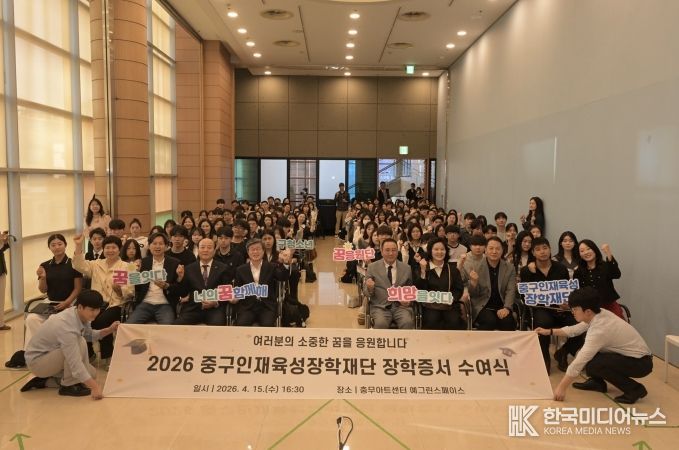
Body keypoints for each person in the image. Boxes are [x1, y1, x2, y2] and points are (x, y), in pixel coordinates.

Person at [536, 287, 652, 404]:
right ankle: (597, 383)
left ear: (587, 311)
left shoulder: (599, 329)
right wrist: (549, 331)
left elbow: (579, 361)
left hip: (640, 363)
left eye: (575, 309)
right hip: (631, 357)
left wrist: (561, 388)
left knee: (593, 361)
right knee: (593, 360)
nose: (572, 312)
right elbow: (574, 330)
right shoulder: (598, 313)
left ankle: (635, 390)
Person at [21, 289, 118, 399]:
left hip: (51, 356)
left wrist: (110, 330)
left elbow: (89, 335)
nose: (95, 313)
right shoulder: (66, 325)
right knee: (79, 343)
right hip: (37, 362)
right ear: (80, 307)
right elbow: (74, 361)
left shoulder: (79, 314)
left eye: (97, 309)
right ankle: (68, 385)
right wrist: (95, 387)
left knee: (92, 374)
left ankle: (46, 381)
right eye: (92, 310)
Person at [520, 237, 582, 374]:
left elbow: (567, 291)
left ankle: (563, 352)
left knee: (581, 324)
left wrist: (566, 303)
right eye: (538, 249)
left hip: (560, 309)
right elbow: (525, 296)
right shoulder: (527, 271)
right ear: (533, 252)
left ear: (550, 249)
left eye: (545, 248)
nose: (542, 252)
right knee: (544, 323)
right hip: (540, 309)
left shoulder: (560, 268)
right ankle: (544, 358)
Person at [73, 232, 134, 368]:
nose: (110, 250)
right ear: (103, 249)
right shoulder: (96, 264)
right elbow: (78, 265)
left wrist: (119, 290)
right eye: (107, 247)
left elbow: (130, 292)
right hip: (96, 305)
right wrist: (78, 246)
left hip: (116, 305)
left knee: (100, 321)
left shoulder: (126, 266)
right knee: (82, 320)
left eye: (114, 247)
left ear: (119, 249)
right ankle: (89, 353)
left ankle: (107, 355)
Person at [126, 233, 181, 325]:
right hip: (145, 303)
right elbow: (137, 288)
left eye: (161, 243)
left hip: (165, 304)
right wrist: (135, 273)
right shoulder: (143, 262)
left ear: (166, 246)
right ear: (149, 246)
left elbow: (179, 289)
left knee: (168, 328)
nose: (157, 246)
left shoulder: (174, 263)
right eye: (154, 243)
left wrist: (167, 286)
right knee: (129, 325)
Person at [174, 238, 232, 325]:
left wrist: (215, 302)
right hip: (193, 308)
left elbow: (227, 292)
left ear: (214, 251)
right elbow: (183, 293)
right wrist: (180, 278)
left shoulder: (223, 268)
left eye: (209, 247)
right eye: (202, 247)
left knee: (218, 328)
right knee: (177, 326)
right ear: (198, 250)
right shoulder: (189, 268)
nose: (205, 250)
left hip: (214, 309)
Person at [233, 239, 291, 326]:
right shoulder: (241, 270)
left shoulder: (271, 266)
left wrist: (286, 263)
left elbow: (283, 277)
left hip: (267, 306)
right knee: (242, 324)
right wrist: (234, 298)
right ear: (248, 252)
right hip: (247, 307)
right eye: (252, 249)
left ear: (263, 251)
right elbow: (237, 290)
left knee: (267, 324)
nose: (255, 252)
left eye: (258, 249)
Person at [414, 238, 465, 330]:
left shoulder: (452, 269)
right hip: (430, 306)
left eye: (442, 249)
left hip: (449, 305)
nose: (439, 252)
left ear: (446, 251)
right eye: (436, 249)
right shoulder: (423, 267)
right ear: (430, 251)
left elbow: (458, 289)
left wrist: (451, 298)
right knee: (431, 320)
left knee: (454, 320)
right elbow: (419, 289)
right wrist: (423, 272)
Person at [364, 238, 414, 329]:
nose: (391, 253)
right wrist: (370, 288)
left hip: (401, 307)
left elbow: (410, 290)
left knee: (407, 322)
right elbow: (366, 292)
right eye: (387, 250)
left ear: (397, 252)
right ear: (382, 251)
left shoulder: (406, 268)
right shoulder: (372, 267)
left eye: (394, 250)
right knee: (381, 324)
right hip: (380, 307)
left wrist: (408, 300)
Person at [469, 237, 517, 330]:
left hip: (502, 305)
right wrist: (473, 283)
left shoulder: (509, 268)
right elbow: (473, 294)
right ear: (485, 250)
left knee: (508, 322)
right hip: (482, 306)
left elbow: (511, 290)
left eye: (498, 249)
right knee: (490, 321)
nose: (494, 252)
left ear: (502, 251)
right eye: (491, 248)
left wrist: (507, 308)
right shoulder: (476, 267)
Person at [574, 239, 624, 319]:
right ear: (579, 254)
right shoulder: (578, 271)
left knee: (619, 324)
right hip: (590, 309)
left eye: (588, 249)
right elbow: (577, 291)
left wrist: (608, 253)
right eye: (582, 251)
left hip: (609, 305)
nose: (586, 252)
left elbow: (616, 274)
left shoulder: (605, 265)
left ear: (595, 250)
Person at [0, 231, 11, 330]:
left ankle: (0, 323)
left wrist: (4, 242)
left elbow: (2, 249)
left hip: (1, 270)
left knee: (1, 298)